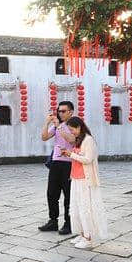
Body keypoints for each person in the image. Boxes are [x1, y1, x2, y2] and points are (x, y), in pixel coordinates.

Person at [60, 117, 108, 249]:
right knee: (76, 207)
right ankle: (82, 234)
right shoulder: (79, 140)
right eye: (70, 130)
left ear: (79, 126)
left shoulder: (88, 140)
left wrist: (71, 154)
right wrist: (68, 154)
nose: (72, 132)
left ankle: (89, 238)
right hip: (76, 177)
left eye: (72, 129)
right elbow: (77, 156)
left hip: (85, 180)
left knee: (85, 208)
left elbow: (88, 159)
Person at [39, 101, 75, 235]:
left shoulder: (74, 124)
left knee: (68, 195)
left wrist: (59, 125)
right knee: (52, 193)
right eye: (59, 111)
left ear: (70, 112)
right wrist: (47, 122)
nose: (60, 113)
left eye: (63, 111)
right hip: (56, 161)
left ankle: (69, 222)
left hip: (69, 162)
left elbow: (71, 140)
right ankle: (53, 221)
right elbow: (44, 137)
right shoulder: (56, 126)